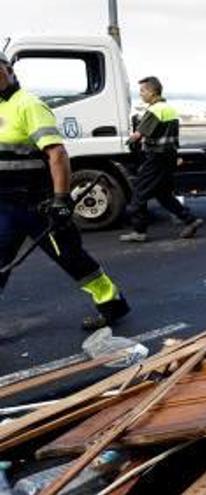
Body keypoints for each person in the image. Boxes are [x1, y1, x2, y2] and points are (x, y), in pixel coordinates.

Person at [0, 52, 129, 330]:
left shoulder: (29, 105)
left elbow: (57, 153)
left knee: (71, 257)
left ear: (9, 70)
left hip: (38, 204)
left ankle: (112, 304)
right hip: (5, 205)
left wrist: (60, 200)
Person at [119, 76, 202, 242]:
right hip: (169, 157)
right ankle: (191, 220)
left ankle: (139, 231)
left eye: (142, 91)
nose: (141, 95)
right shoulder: (168, 109)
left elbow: (139, 134)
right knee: (163, 194)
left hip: (156, 158)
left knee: (139, 193)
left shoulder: (154, 110)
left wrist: (127, 142)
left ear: (151, 91)